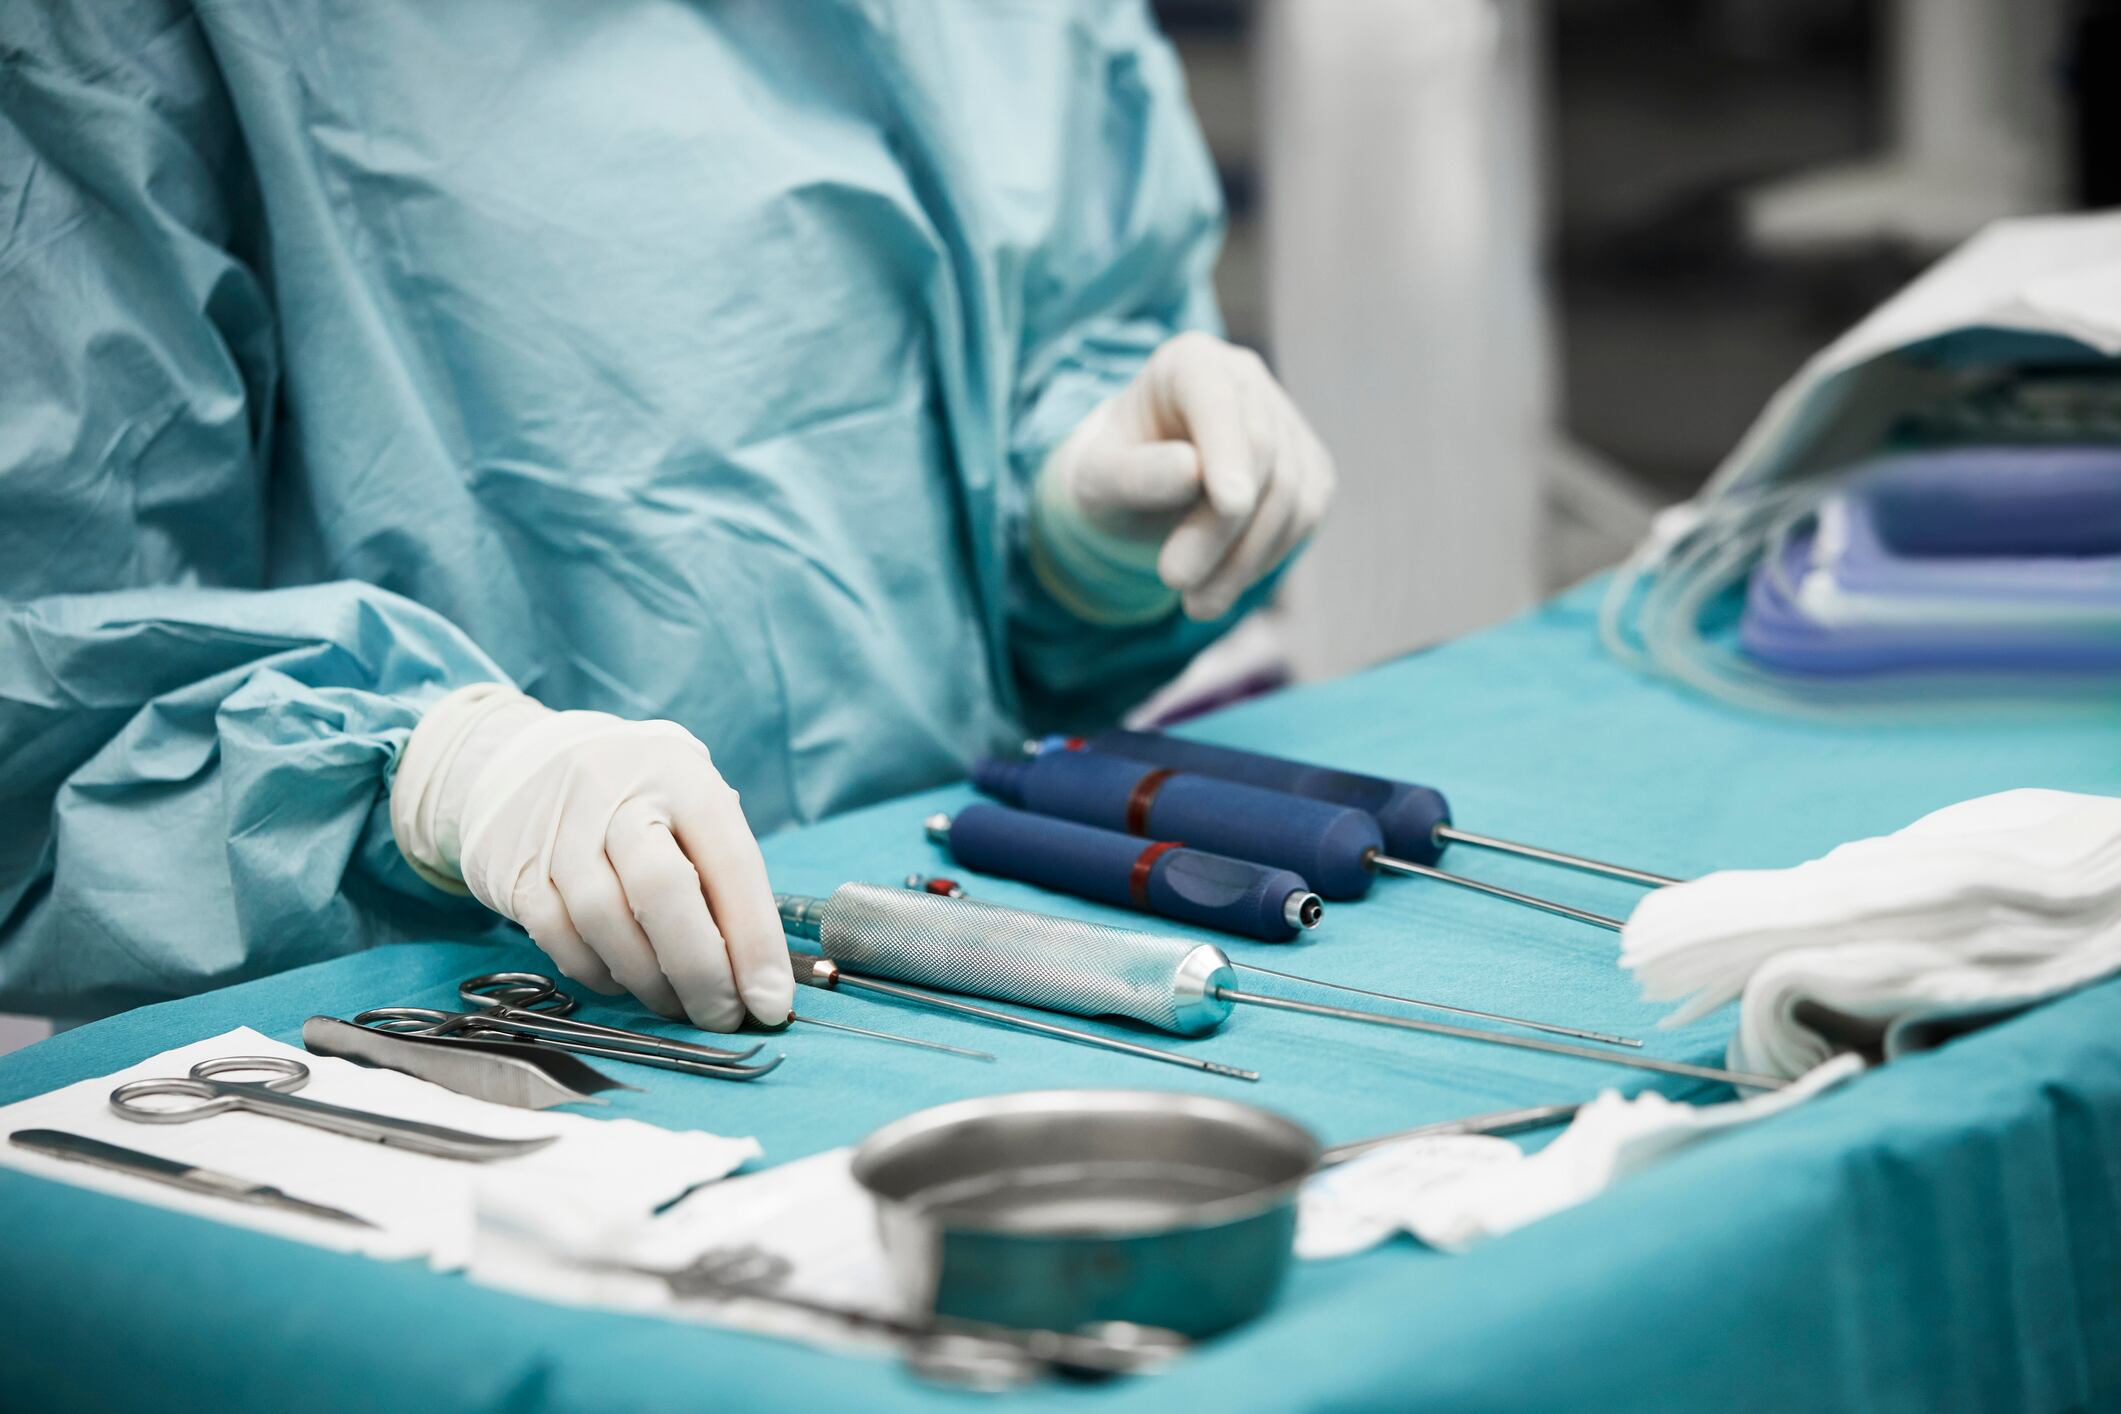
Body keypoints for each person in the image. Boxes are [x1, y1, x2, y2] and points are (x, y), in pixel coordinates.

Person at [0, 1, 1334, 1031]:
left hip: (953, 922)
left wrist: (1074, 531)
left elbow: (1063, 335)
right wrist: (434, 775)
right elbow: (44, 686)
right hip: (429, 1038)